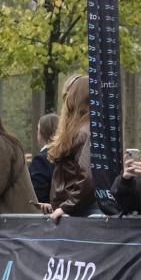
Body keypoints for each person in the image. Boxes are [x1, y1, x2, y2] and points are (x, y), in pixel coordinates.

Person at [47, 74, 95, 219]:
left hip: (77, 214)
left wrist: (65, 207)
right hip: (73, 211)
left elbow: (87, 178)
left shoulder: (84, 133)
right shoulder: (81, 130)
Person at [29, 113, 59, 205]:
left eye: (38, 130)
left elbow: (37, 194)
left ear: (42, 133)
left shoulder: (41, 160)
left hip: (47, 214)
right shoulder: (69, 155)